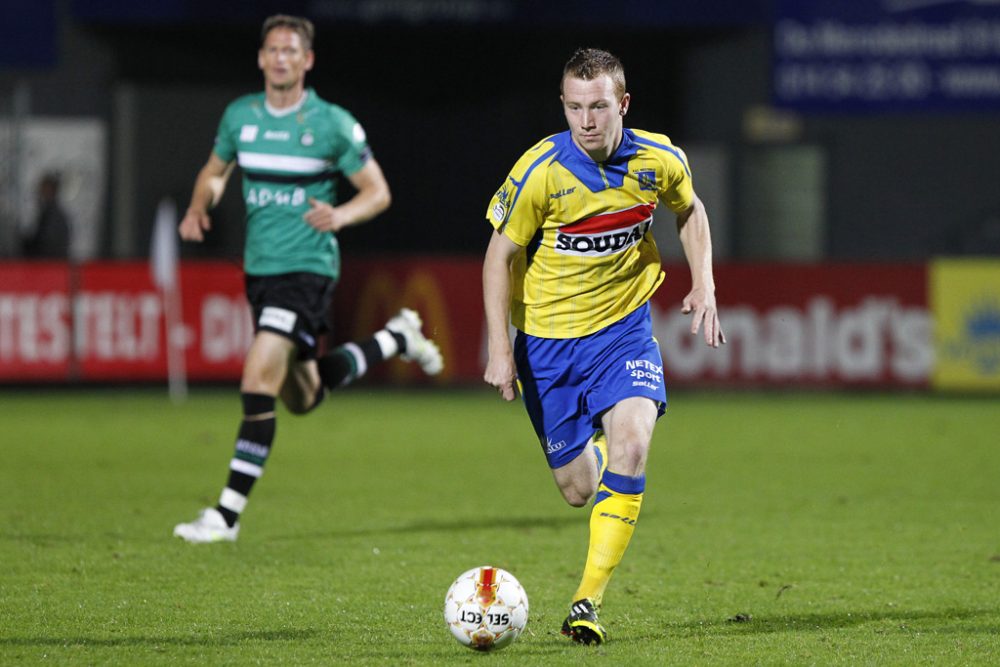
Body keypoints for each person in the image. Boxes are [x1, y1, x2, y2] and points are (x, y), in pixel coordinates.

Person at [482, 48, 725, 645]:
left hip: (623, 333)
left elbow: (690, 211)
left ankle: (585, 603)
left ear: (623, 104)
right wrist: (499, 350)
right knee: (579, 491)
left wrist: (705, 283)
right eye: (573, 107)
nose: (585, 121)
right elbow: (497, 259)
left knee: (635, 444)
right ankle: (593, 445)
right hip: (547, 346)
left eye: (597, 107)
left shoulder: (659, 159)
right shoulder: (542, 171)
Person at [173, 14, 442, 544]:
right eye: (272, 49)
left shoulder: (331, 123)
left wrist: (341, 216)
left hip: (307, 271)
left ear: (307, 60)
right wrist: (198, 205)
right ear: (260, 57)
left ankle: (225, 515)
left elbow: (377, 191)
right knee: (302, 395)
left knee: (257, 382)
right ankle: (396, 337)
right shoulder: (240, 117)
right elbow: (214, 171)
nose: (280, 58)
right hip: (262, 273)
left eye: (291, 51)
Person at [22, 172, 70, 258]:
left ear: (52, 190)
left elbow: (48, 245)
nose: (40, 192)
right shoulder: (46, 212)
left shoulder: (54, 216)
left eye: (44, 188)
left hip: (50, 264)